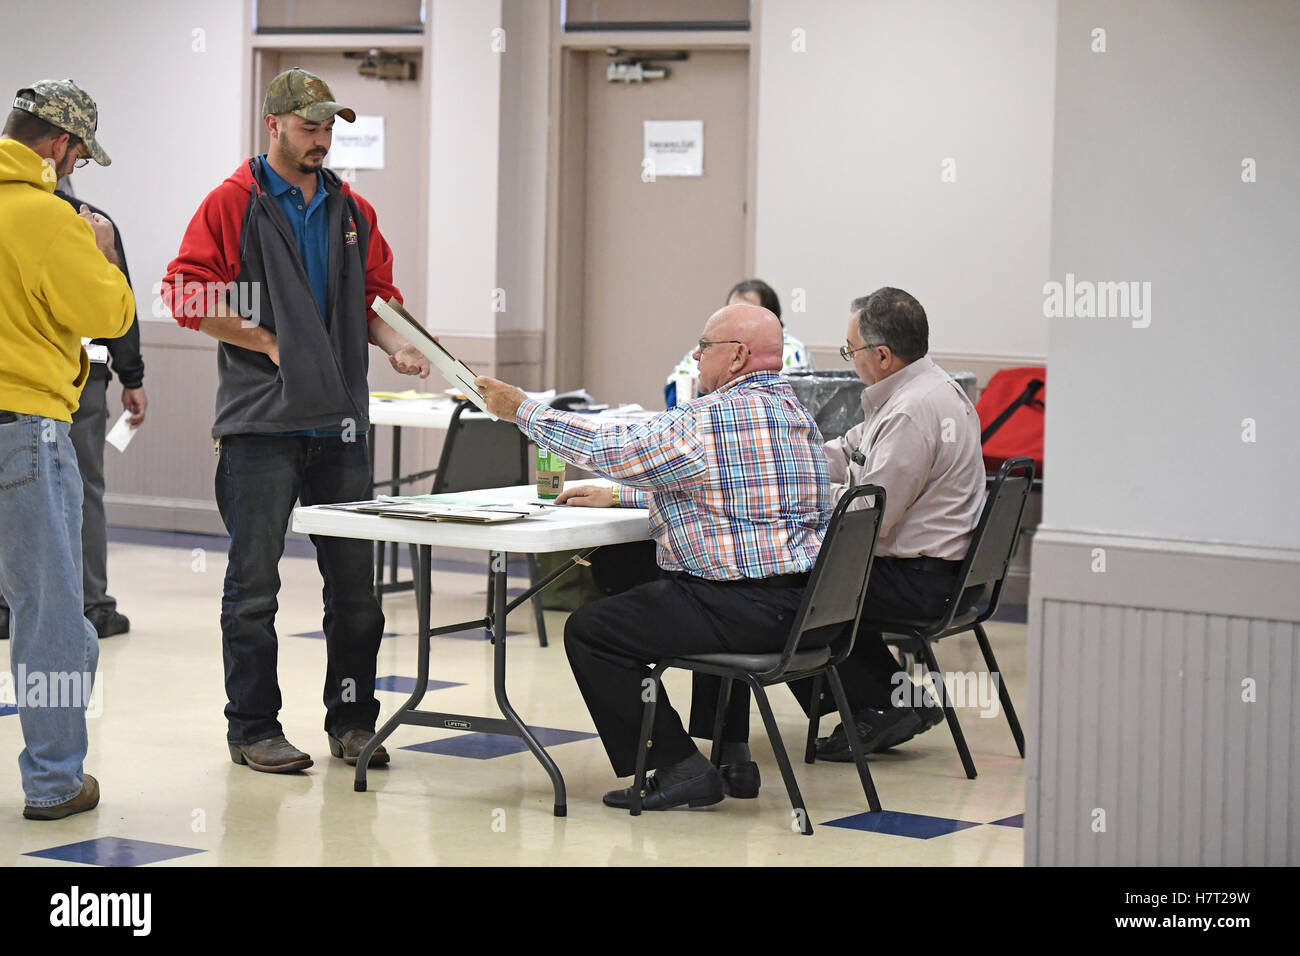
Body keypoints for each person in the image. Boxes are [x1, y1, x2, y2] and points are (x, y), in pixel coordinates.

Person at [160, 68, 430, 774]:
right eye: (308, 127)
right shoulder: (234, 202)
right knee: (254, 591)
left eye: (328, 128)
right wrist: (268, 341)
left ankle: (351, 723)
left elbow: (376, 297)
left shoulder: (351, 210)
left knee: (357, 594)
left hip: (339, 427)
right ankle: (253, 728)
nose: (321, 140)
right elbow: (185, 293)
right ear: (273, 124)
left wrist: (398, 344)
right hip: (260, 428)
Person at [475, 302, 833, 811]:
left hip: (744, 610)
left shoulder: (709, 420)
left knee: (593, 631)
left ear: (736, 357)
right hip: (805, 609)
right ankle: (730, 755)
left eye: (704, 347)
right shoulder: (798, 417)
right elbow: (730, 490)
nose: (696, 355)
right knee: (669, 579)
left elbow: (613, 447)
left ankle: (680, 766)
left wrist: (522, 410)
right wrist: (622, 497)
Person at [0, 79, 134, 819]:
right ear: (60, 147)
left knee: (54, 617)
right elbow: (105, 315)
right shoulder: (51, 219)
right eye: (79, 156)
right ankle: (54, 781)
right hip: (25, 432)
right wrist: (102, 252)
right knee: (48, 616)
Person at [801, 287, 986, 758]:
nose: (849, 359)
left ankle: (882, 706)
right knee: (806, 582)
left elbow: (869, 517)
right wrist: (792, 467)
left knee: (788, 589)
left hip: (922, 581)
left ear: (882, 355)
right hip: (942, 574)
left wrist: (803, 497)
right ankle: (887, 701)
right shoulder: (928, 390)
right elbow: (848, 450)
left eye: (851, 350)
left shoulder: (911, 411)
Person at [0, 188, 145, 642]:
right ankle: (93, 603)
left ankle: (7, 605)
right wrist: (133, 376)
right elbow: (116, 307)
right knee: (84, 489)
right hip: (82, 375)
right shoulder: (91, 222)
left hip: (14, 379)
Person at [665, 279, 811, 407]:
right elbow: (676, 390)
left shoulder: (792, 351)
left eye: (744, 311)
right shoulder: (710, 345)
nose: (735, 316)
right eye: (730, 309)